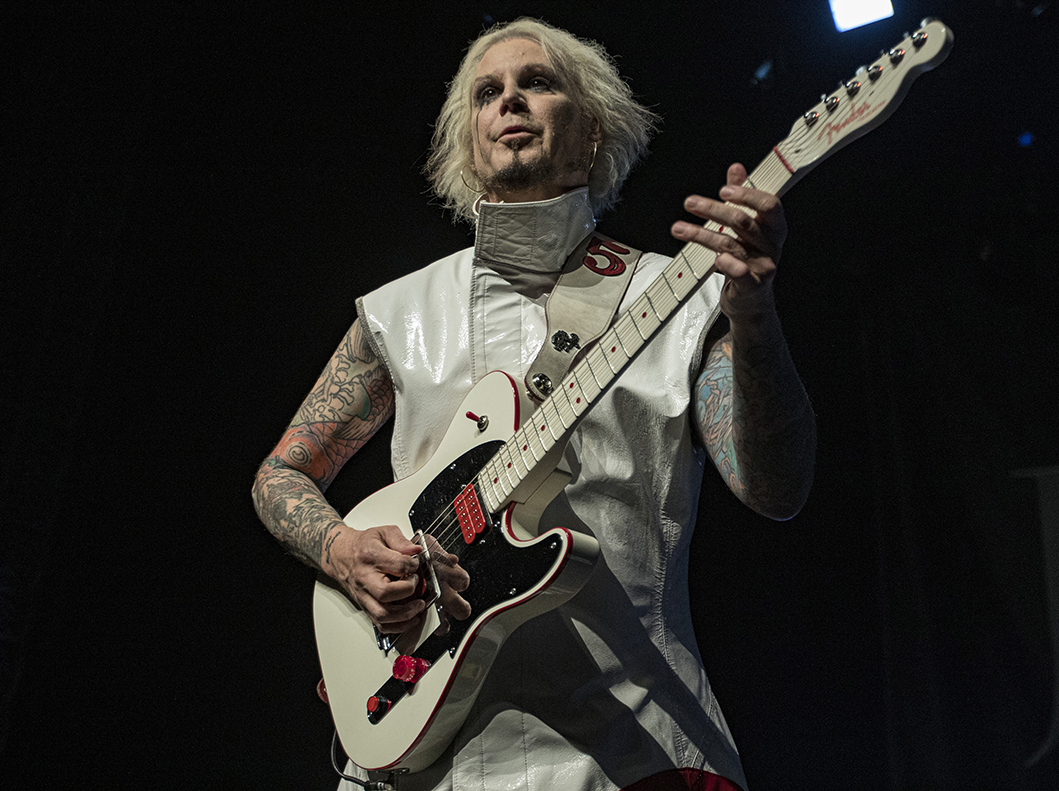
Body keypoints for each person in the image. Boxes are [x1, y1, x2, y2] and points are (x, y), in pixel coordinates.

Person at [251, 17, 816, 791]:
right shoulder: (398, 312)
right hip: (422, 760)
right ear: (467, 142)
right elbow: (280, 475)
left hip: (632, 753)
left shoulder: (678, 296)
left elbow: (775, 487)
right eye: (487, 92)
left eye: (538, 82)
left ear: (592, 130)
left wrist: (755, 317)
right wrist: (343, 551)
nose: (510, 99)